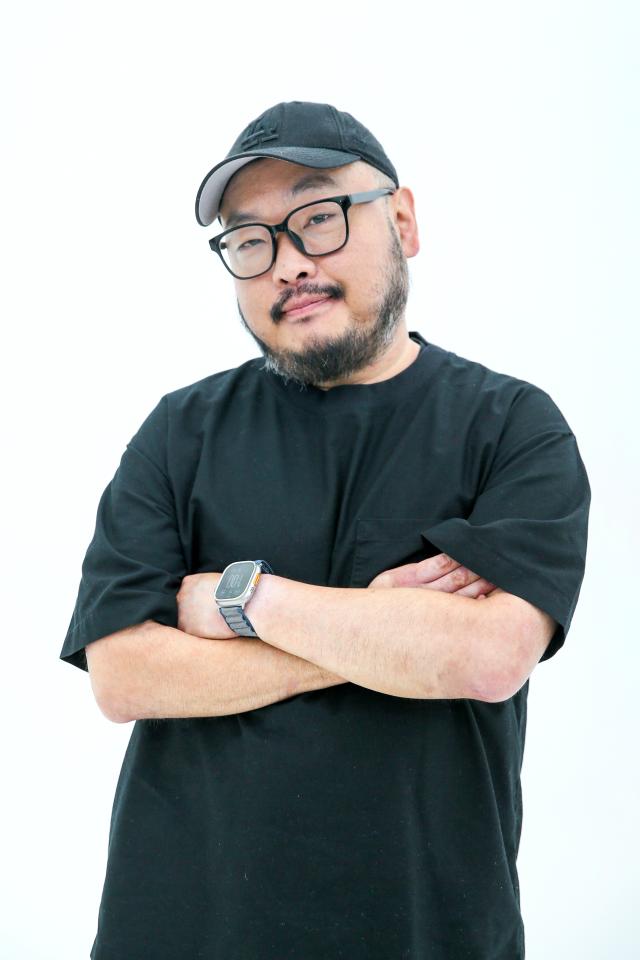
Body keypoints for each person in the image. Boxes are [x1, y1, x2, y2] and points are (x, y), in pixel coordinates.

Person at [61, 100, 591, 960]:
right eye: (251, 240)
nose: (287, 264)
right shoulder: (179, 432)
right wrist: (383, 637)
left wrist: (238, 598)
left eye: (318, 217)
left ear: (404, 221)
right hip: (182, 933)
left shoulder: (512, 426)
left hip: (428, 934)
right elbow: (124, 675)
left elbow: (487, 659)